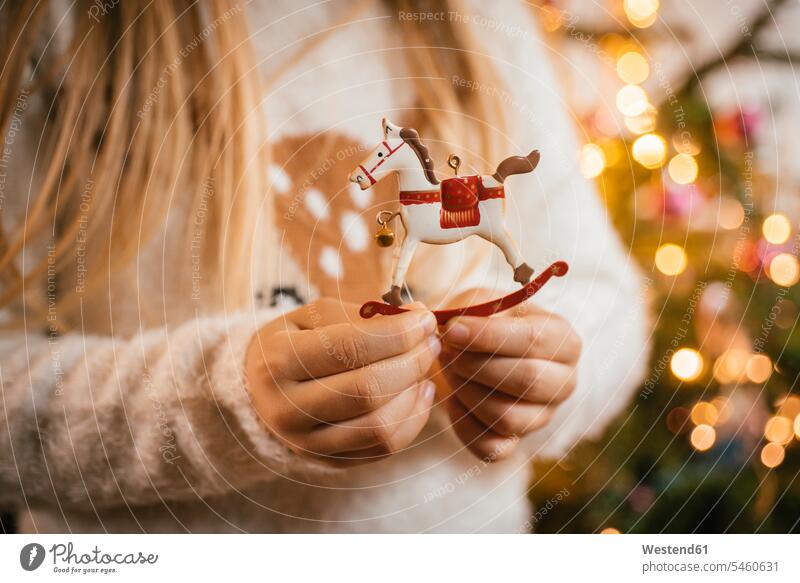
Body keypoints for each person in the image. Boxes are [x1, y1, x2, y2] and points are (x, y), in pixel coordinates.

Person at [0, 0, 649, 533]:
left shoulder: (485, 20)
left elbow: (602, 294)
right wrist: (223, 400)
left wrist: (550, 362)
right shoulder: (56, 25)